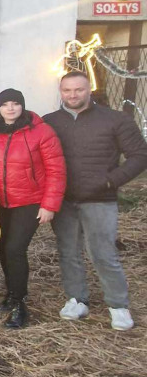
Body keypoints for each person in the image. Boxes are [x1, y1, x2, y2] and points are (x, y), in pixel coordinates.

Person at [43, 71, 147, 331]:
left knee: (103, 252)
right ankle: (77, 299)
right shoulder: (50, 121)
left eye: (78, 89)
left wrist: (112, 180)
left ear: (89, 89)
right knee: (68, 251)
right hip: (65, 199)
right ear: (61, 91)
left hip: (100, 198)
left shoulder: (115, 120)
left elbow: (139, 155)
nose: (72, 95)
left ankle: (118, 305)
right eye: (67, 90)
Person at [0, 88, 66, 329]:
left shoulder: (41, 132)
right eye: (6, 104)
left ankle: (19, 303)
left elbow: (55, 170)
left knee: (15, 248)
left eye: (16, 104)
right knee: (5, 249)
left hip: (29, 201)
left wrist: (49, 204)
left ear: (22, 106)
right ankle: (11, 293)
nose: (11, 108)